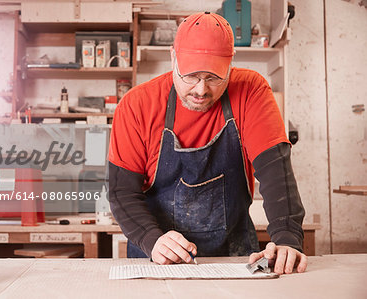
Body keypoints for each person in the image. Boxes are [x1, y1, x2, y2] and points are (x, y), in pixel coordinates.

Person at [108, 12, 307, 275]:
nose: (201, 90)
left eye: (214, 77)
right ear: (173, 57)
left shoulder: (251, 91)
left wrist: (287, 238)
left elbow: (276, 172)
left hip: (236, 257)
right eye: (190, 76)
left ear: (230, 64)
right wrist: (151, 238)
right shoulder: (136, 106)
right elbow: (122, 193)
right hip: (159, 259)